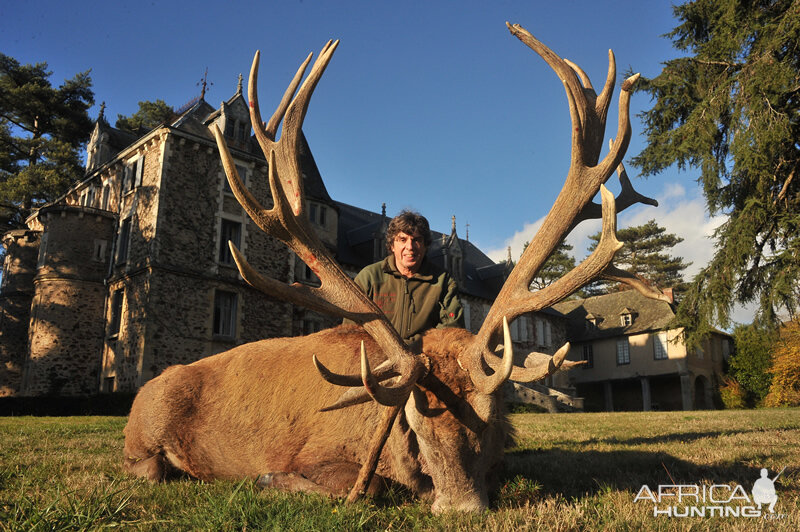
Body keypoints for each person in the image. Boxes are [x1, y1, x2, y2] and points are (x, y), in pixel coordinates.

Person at [351, 210, 463, 345]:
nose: (410, 247)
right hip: (375, 360)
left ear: (425, 246)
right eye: (403, 240)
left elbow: (453, 330)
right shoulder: (368, 277)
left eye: (416, 240)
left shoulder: (443, 282)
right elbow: (350, 330)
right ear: (392, 245)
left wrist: (412, 347)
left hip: (424, 361)